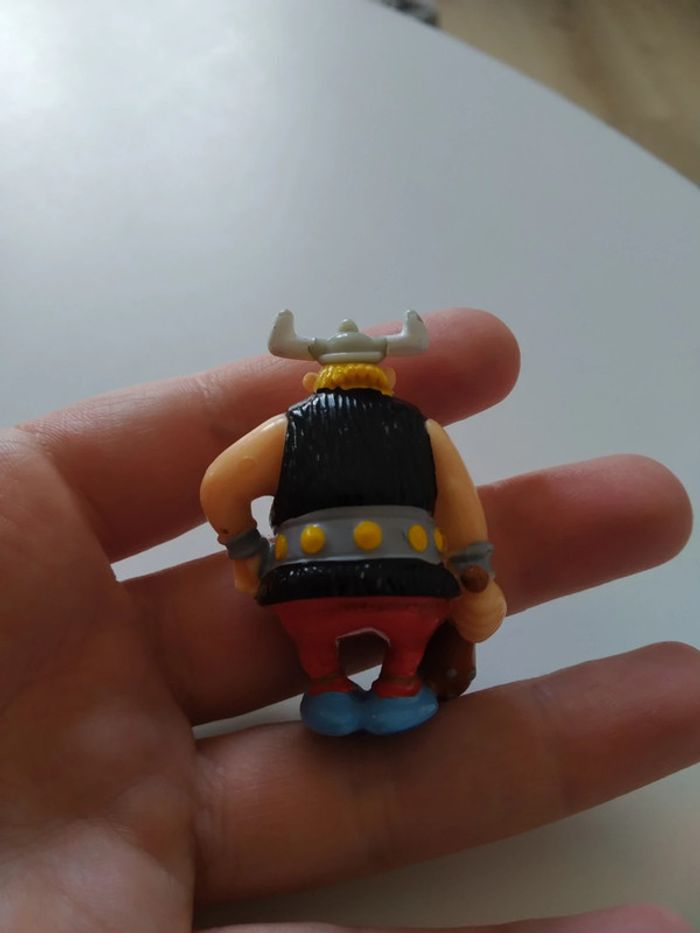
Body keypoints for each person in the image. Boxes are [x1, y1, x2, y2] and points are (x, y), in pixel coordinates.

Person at [0, 308, 695, 932]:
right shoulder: (422, 430)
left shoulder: (287, 429)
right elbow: (461, 508)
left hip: (307, 582)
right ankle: (399, 687)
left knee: (317, 648)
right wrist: (473, 565)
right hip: (411, 579)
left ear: (318, 378)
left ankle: (329, 689)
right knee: (409, 642)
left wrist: (246, 551)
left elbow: (219, 485)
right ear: (383, 376)